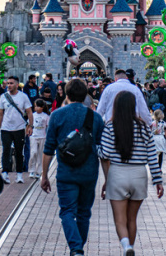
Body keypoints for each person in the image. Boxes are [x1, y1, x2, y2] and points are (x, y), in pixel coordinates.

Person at [41, 79, 105, 256]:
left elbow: (48, 149)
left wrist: (44, 175)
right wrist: (108, 179)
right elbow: (103, 152)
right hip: (89, 172)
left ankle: (76, 249)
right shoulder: (96, 117)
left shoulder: (57, 115)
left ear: (66, 95)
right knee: (84, 213)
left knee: (67, 212)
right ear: (86, 95)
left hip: (66, 172)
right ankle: (77, 249)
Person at [99, 91, 163, 256]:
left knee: (120, 220)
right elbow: (152, 156)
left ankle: (126, 246)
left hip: (117, 173)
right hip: (139, 174)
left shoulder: (110, 126)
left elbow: (104, 154)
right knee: (132, 219)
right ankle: (130, 248)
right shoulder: (143, 128)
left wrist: (96, 148)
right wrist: (158, 180)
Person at [0, 76, 33, 183]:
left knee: (19, 152)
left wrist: (30, 126)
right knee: (6, 150)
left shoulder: (23, 96)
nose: (8, 85)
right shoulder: (3, 97)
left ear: (16, 84)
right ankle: (5, 173)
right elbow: (0, 114)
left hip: (19, 128)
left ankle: (19, 174)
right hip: (6, 128)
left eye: (11, 83)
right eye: (8, 83)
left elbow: (29, 112)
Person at [29, 99, 49, 179]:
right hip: (33, 136)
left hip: (42, 137)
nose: (36, 108)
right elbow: (29, 125)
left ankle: (39, 171)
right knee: (33, 152)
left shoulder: (46, 116)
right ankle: (32, 170)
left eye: (37, 106)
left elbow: (48, 127)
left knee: (41, 154)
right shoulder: (32, 115)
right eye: (35, 106)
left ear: (42, 107)